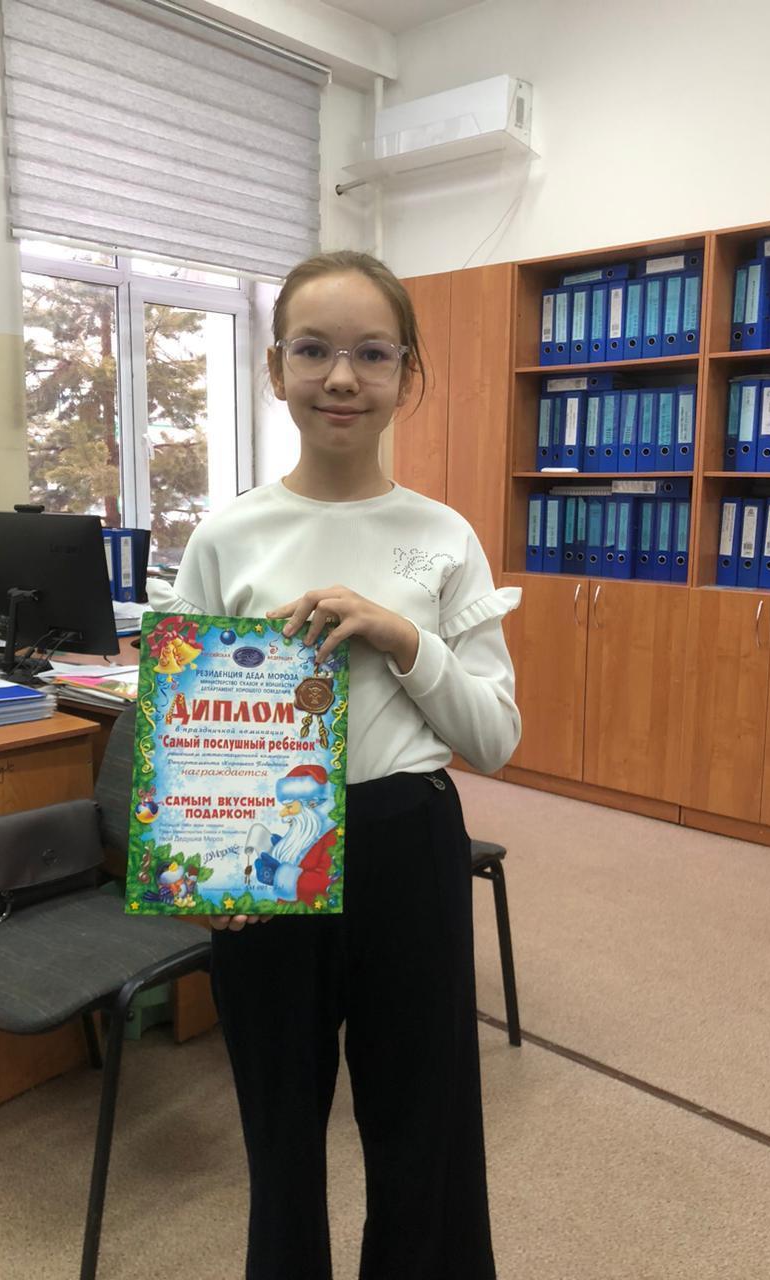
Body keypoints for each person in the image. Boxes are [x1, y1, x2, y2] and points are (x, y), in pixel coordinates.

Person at [156, 249, 522, 1279]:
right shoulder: (227, 536)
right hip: (265, 853)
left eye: (372, 353)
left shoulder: (442, 537)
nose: (342, 378)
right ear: (275, 368)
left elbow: (495, 737)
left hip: (407, 839)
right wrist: (200, 871)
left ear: (408, 373)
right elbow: (183, 728)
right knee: (278, 1132)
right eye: (313, 351)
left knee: (423, 1124)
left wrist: (404, 638)